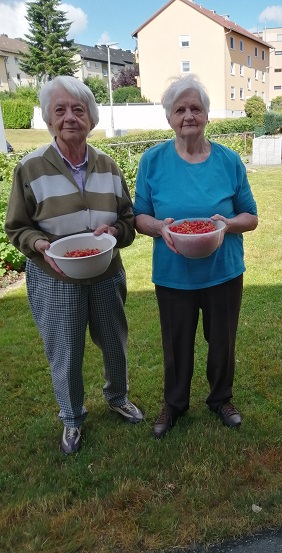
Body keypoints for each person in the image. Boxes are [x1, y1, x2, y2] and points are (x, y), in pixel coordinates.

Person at [5, 76, 143, 455]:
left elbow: (128, 221)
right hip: (55, 278)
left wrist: (114, 229)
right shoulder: (30, 168)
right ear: (49, 120)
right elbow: (16, 228)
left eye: (78, 110)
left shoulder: (109, 166)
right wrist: (41, 244)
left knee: (114, 341)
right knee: (65, 350)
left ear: (91, 118)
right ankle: (72, 418)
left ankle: (118, 397)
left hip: (105, 273)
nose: (69, 117)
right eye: (60, 110)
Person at [133, 74, 258, 439]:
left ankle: (221, 398)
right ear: (169, 117)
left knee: (222, 340)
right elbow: (139, 216)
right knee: (175, 342)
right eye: (180, 109)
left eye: (196, 108)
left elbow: (250, 216)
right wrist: (161, 229)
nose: (189, 115)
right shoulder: (152, 161)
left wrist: (226, 224)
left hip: (223, 270)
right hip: (173, 273)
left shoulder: (229, 161)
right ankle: (174, 403)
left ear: (206, 115)